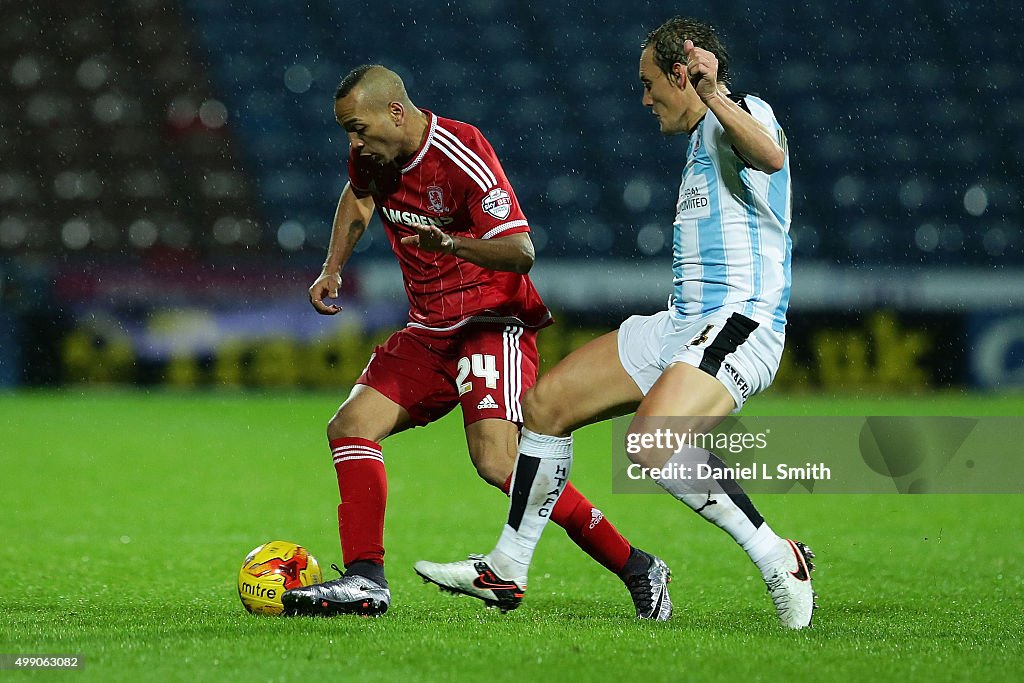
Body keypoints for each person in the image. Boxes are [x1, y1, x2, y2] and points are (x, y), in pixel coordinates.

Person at [414, 17, 817, 629]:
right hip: (685, 325)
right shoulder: (701, 139)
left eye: (651, 83)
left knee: (651, 443)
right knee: (546, 406)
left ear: (684, 74)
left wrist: (712, 94)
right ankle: (508, 567)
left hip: (743, 322)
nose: (645, 97)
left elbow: (772, 153)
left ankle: (777, 557)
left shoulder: (741, 111)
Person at [281, 64, 672, 620]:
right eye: (347, 130)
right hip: (428, 331)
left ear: (396, 111)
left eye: (359, 127)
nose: (354, 141)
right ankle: (366, 579)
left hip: (491, 324)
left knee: (499, 463)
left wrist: (453, 244)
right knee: (350, 425)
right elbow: (359, 196)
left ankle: (637, 565)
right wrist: (332, 267)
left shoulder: (461, 150)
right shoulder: (370, 155)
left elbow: (520, 250)